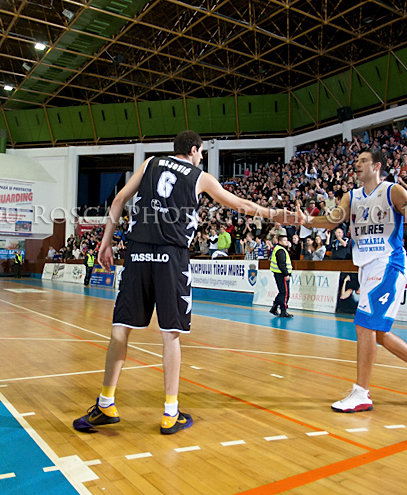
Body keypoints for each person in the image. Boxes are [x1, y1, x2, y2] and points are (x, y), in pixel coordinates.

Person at [72, 130, 292, 435]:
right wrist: (281, 214)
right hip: (171, 257)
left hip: (136, 253)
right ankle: (170, 413)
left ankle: (106, 403)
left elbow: (120, 199)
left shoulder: (150, 163)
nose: (201, 156)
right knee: (170, 335)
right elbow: (241, 204)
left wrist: (106, 243)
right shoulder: (200, 176)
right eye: (201, 152)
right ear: (194, 150)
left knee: (120, 329)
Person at [298, 149, 407, 413]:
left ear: (377, 166)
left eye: (362, 160)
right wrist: (308, 220)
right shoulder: (351, 196)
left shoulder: (394, 191)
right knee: (378, 333)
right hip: (366, 267)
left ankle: (361, 393)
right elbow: (333, 221)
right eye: (355, 161)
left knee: (364, 326)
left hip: (389, 263)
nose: (356, 164)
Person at [269, 230, 293, 318]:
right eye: (284, 241)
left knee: (282, 292)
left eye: (287, 240)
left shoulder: (280, 249)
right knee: (285, 293)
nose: (286, 242)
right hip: (281, 274)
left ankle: (274, 307)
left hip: (278, 273)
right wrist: (286, 274)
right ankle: (283, 310)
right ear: (280, 241)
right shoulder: (281, 250)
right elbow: (281, 264)